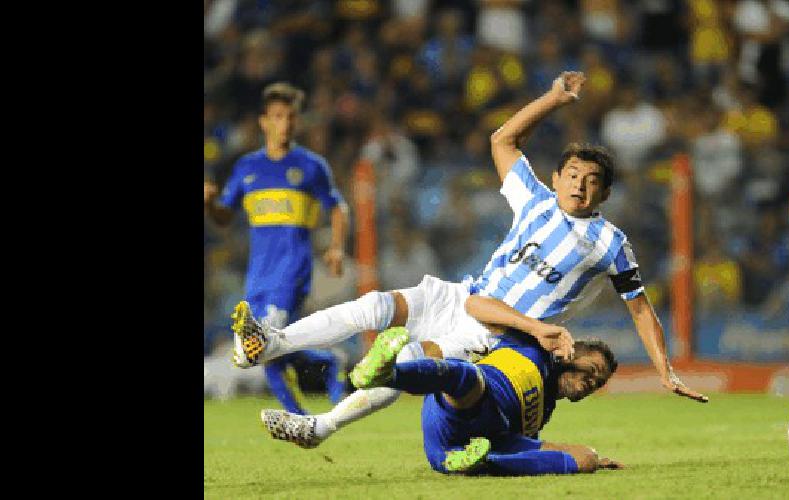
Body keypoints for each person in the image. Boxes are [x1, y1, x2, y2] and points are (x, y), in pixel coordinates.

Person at [229, 70, 706, 448]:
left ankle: (320, 427)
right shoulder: (535, 199)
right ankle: (271, 343)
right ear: (557, 177)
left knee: (409, 362)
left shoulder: (610, 242)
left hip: (492, 331)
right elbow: (502, 140)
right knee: (372, 306)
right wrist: (553, 100)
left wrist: (664, 370)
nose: (580, 185)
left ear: (604, 192)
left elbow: (640, 308)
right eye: (573, 174)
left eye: (592, 180)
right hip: (462, 293)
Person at [263, 299, 625, 476]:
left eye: (599, 382)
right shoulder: (532, 344)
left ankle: (474, 462)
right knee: (464, 377)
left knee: (585, 459)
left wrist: (590, 455)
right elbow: (474, 304)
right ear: (570, 354)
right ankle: (385, 376)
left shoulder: (544, 412)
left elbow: (536, 445)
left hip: (474, 437)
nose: (592, 383)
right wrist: (533, 325)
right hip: (464, 404)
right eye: (591, 370)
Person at [205, 82, 349, 414]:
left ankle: (300, 419)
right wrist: (211, 205)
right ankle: (328, 363)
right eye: (278, 116)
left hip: (292, 269)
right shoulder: (246, 168)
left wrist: (337, 247)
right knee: (259, 346)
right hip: (258, 274)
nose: (285, 124)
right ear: (264, 122)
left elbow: (338, 207)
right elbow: (225, 216)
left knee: (264, 342)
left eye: (291, 117)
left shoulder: (311, 166)